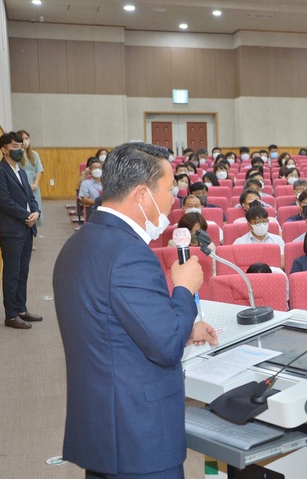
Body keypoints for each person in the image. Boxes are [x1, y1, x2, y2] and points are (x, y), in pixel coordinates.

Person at [52, 142, 217, 478]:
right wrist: (184, 288)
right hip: (139, 438)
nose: (174, 199)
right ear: (143, 195)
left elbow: (113, 329)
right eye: (170, 189)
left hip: (104, 430)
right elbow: (166, 347)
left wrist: (185, 329)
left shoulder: (80, 242)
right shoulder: (130, 254)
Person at [0, 132, 42, 330]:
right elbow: (4, 201)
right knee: (12, 273)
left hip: (27, 229)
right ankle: (11, 315)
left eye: (21, 146)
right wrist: (26, 216)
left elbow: (30, 195)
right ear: (4, 149)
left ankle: (21, 309)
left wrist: (35, 212)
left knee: (23, 272)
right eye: (15, 146)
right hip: (12, 231)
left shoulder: (20, 171)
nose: (20, 149)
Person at [16, 130, 44, 230]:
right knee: (26, 210)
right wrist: (27, 185)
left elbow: (39, 170)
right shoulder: (17, 155)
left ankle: (33, 233)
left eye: (27, 139)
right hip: (23, 185)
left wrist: (35, 184)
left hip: (34, 186)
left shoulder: (34, 154)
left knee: (35, 209)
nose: (25, 141)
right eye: (22, 139)